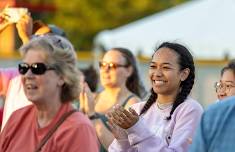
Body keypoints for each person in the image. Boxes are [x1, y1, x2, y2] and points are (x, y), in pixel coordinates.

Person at [0, 35, 99, 152]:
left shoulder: (78, 129)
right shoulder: (17, 118)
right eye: (24, 68)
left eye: (37, 68)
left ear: (62, 76)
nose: (27, 75)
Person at [107, 42, 203, 152]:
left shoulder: (190, 109)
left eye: (166, 67)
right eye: (153, 66)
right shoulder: (136, 110)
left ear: (184, 74)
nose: (157, 73)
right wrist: (122, 141)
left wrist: (137, 129)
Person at [0, 13, 67, 130]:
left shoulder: (62, 81)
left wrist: (27, 39)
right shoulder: (15, 77)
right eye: (35, 37)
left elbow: (44, 67)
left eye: (43, 38)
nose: (35, 40)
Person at [80, 47, 146, 151]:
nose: (105, 70)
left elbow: (123, 148)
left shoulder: (133, 103)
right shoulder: (92, 97)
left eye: (112, 66)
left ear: (128, 71)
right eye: (102, 65)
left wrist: (93, 116)